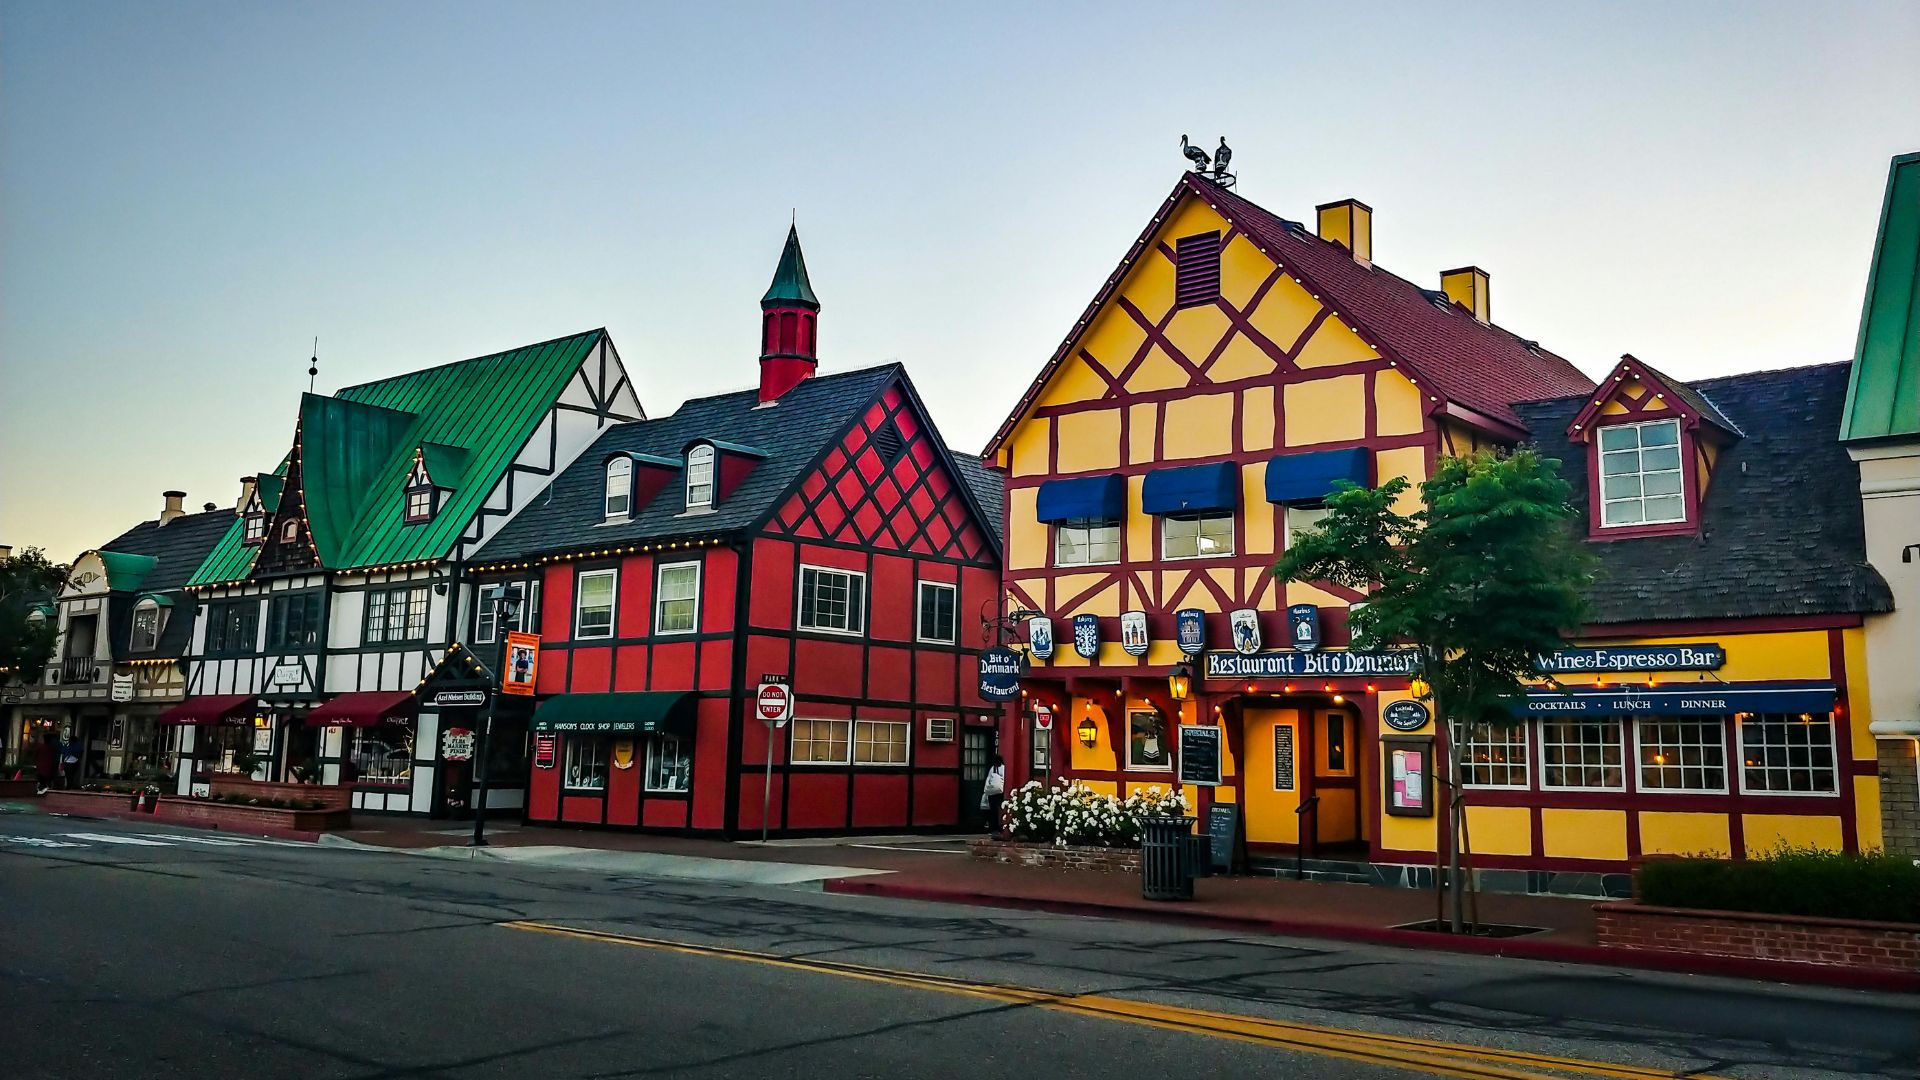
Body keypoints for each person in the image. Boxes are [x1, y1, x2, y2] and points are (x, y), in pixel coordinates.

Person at [981, 754, 1006, 835]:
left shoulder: (993, 768)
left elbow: (988, 779)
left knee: (992, 811)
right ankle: (1001, 826)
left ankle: (993, 827)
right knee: (1001, 809)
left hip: (992, 792)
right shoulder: (1004, 768)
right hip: (1000, 791)